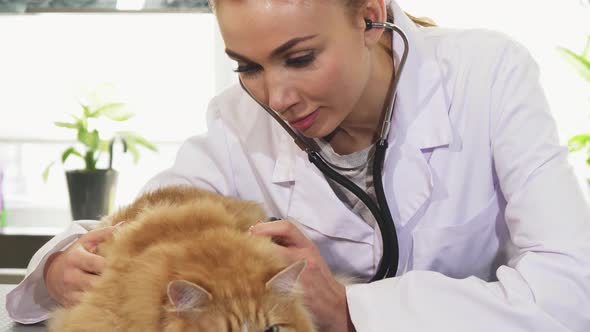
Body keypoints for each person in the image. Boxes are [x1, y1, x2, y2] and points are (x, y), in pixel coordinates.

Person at [6, 0, 590, 330]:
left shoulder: (486, 73)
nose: (276, 98)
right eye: (248, 65)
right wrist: (62, 265)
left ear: (369, 15)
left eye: (300, 57)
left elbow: (570, 291)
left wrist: (352, 308)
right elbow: (152, 216)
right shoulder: (237, 120)